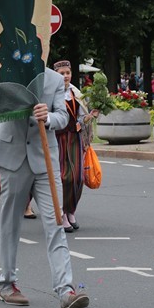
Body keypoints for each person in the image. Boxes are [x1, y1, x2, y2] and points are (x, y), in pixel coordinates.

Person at [0, 67, 90, 308]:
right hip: (13, 156)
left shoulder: (54, 78)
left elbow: (63, 117)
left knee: (56, 222)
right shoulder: (3, 72)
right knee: (11, 223)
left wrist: (49, 117)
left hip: (45, 158)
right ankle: (8, 283)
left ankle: (66, 291)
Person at [52, 61, 98, 232]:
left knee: (78, 177)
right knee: (64, 177)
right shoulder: (51, 94)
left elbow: (80, 118)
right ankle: (62, 213)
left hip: (74, 138)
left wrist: (90, 116)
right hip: (58, 139)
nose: (65, 76)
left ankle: (71, 210)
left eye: (67, 73)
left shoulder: (75, 93)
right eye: (62, 73)